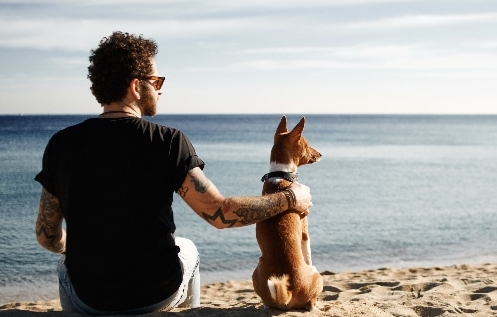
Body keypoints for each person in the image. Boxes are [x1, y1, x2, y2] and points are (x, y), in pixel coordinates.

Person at [34, 31, 312, 315]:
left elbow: (47, 237)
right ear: (135, 86)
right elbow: (221, 213)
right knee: (188, 248)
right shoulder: (166, 141)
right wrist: (290, 198)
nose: (161, 89)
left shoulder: (61, 144)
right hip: (155, 294)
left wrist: (80, 248)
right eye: (157, 81)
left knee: (65, 263)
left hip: (87, 300)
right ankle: (192, 310)